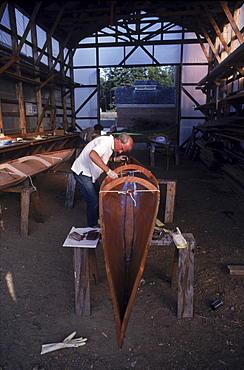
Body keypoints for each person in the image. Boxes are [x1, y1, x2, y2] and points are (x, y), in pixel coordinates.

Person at [71, 133, 134, 228]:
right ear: (120, 140)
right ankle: (92, 226)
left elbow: (101, 155)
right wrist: (108, 171)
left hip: (90, 173)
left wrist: (114, 159)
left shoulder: (110, 144)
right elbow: (93, 155)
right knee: (93, 200)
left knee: (98, 195)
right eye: (121, 148)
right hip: (83, 173)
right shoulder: (105, 142)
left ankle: (97, 219)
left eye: (122, 151)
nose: (120, 152)